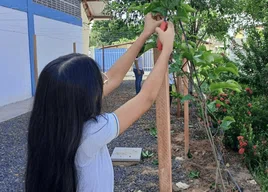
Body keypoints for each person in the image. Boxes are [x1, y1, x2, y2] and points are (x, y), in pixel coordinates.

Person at [25, 13, 175, 192]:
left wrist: (144, 34)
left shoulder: (50, 124)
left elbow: (113, 78)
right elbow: (146, 97)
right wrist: (166, 50)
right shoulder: (91, 133)